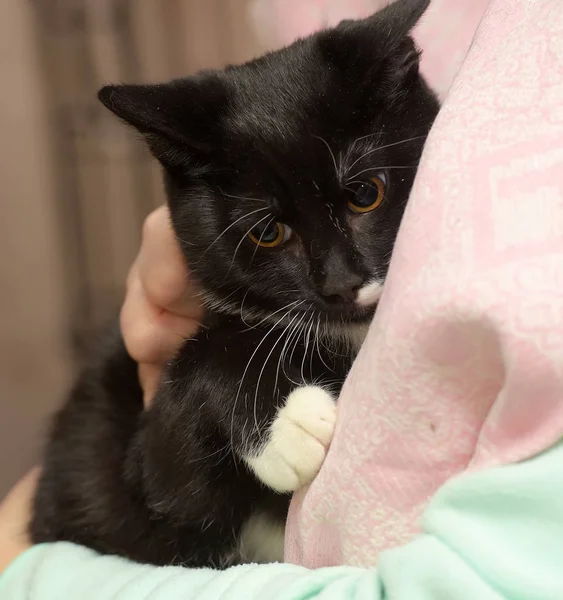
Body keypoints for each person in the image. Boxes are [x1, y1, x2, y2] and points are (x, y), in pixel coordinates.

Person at [2, 0, 563, 597]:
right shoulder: (230, 350)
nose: (341, 279)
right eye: (269, 233)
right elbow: (170, 489)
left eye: (365, 195)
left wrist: (23, 572)